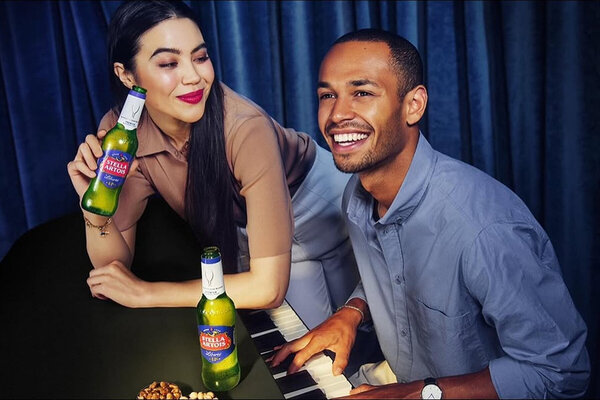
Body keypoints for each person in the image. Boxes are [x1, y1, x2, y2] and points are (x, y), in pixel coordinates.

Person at [271, 29, 590, 398]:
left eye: (362, 93)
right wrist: (353, 311)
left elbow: (562, 373)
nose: (338, 114)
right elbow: (394, 272)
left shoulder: (484, 230)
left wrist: (414, 394)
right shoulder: (356, 198)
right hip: (398, 376)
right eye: (328, 95)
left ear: (413, 105)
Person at [66, 0, 359, 330]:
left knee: (350, 335)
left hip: (318, 206)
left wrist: (147, 293)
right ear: (126, 74)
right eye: (169, 63)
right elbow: (113, 274)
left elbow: (268, 289)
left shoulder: (247, 129)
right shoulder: (121, 136)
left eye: (200, 57)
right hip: (255, 230)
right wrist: (96, 211)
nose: (193, 77)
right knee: (304, 343)